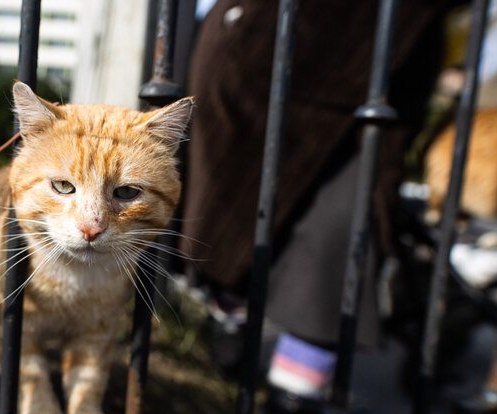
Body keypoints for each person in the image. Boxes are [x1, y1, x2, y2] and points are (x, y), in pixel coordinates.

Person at [180, 0, 458, 382]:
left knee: (339, 241)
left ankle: (294, 408)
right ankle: (231, 327)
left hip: (386, 59)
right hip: (266, 44)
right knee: (232, 218)